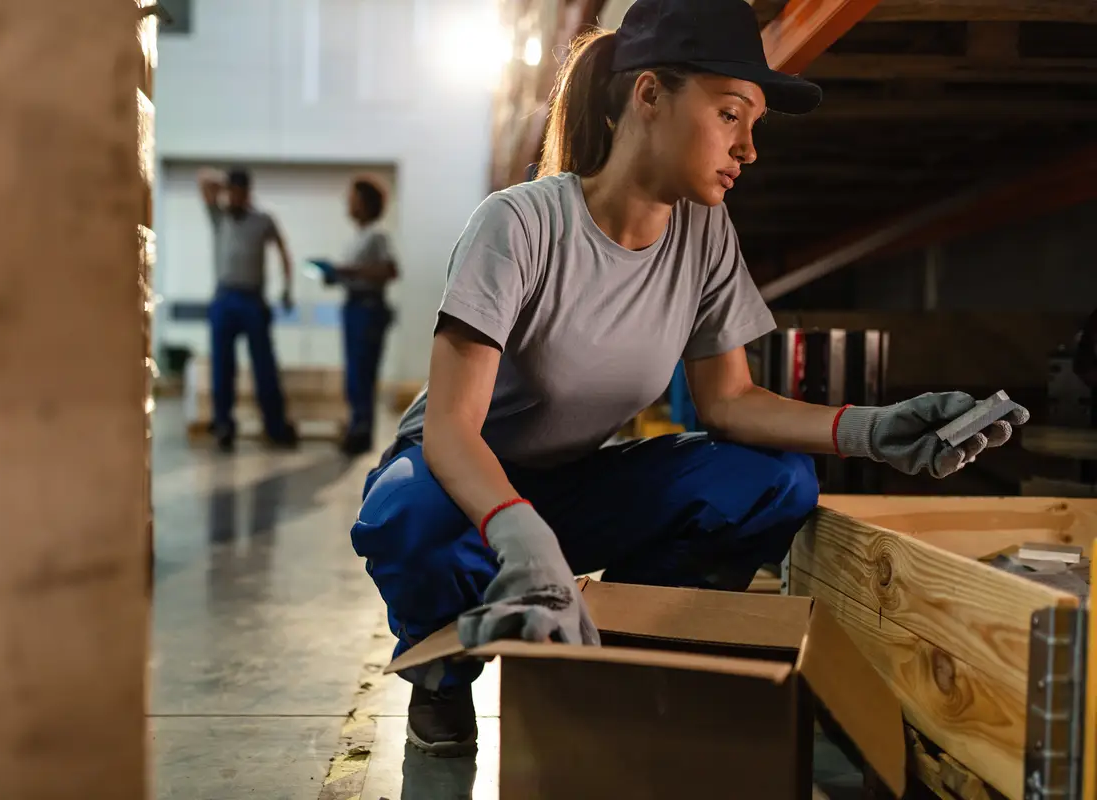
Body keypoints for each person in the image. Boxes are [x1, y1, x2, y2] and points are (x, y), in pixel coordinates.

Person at [350, 0, 1030, 757]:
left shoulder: (704, 233)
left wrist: (872, 429)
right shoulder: (519, 224)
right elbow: (451, 429)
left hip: (568, 486)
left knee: (774, 481)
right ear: (648, 95)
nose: (748, 148)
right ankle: (442, 682)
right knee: (409, 514)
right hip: (460, 484)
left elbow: (729, 402)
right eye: (731, 113)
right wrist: (520, 534)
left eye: (755, 125)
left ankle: (619, 642)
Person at [199, 167, 299, 451]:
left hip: (252, 300)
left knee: (264, 366)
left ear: (248, 193)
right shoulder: (219, 217)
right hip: (224, 299)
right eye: (230, 191)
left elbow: (283, 250)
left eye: (239, 192)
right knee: (222, 366)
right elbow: (203, 179)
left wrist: (287, 287)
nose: (233, 197)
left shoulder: (263, 220)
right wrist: (225, 184)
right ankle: (223, 425)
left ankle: (275, 426)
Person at [320, 178, 399, 456]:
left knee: (363, 373)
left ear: (365, 203)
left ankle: (362, 430)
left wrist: (351, 272)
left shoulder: (377, 236)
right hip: (353, 307)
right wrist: (337, 276)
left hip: (368, 309)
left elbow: (390, 271)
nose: (347, 204)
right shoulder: (357, 238)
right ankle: (356, 425)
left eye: (352, 198)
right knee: (354, 374)